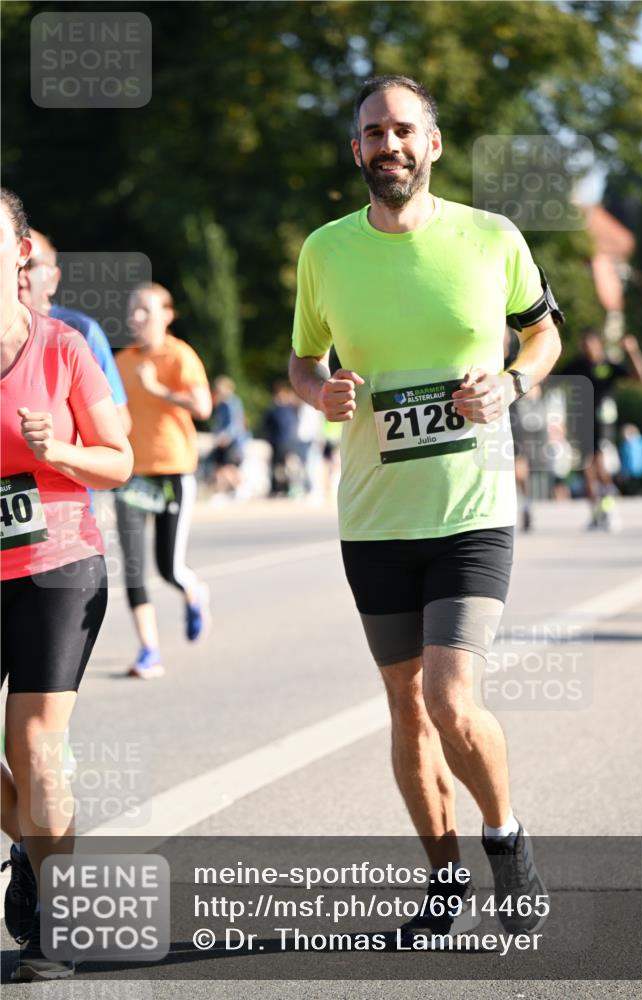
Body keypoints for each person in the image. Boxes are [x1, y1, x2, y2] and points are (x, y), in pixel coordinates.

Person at [289, 76, 563, 941]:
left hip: (471, 511)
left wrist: (514, 381)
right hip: (373, 517)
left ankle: (505, 839)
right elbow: (302, 360)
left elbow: (543, 329)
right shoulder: (324, 252)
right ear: (357, 150)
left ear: (433, 145)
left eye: (403, 130)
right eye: (373, 133)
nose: (388, 145)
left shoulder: (490, 237)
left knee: (450, 698)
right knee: (405, 708)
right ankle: (443, 882)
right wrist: (318, 394)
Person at [0, 188, 133, 981]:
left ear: (18, 254)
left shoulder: (63, 349)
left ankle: (55, 922)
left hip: (56, 568)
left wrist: (58, 451)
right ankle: (31, 845)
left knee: (38, 748)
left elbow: (117, 462)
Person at [114, 282, 213, 678]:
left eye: (146, 311)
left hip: (172, 470)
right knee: (134, 568)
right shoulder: (120, 361)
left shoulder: (179, 355)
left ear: (167, 315)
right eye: (132, 310)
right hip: (132, 476)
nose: (136, 318)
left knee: (168, 566)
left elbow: (203, 407)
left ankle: (193, 591)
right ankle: (149, 650)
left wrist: (158, 389)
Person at [17, 229, 131, 434]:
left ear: (53, 278)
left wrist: (61, 445)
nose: (21, 274)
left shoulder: (81, 331)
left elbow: (120, 421)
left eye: (31, 265)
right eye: (14, 265)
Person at [562, 328, 642, 530]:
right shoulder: (579, 364)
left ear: (598, 344)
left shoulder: (609, 366)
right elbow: (552, 377)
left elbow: (641, 377)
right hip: (582, 423)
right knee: (587, 471)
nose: (586, 348)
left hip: (603, 421)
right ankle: (596, 514)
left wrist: (633, 351)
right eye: (583, 345)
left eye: (589, 344)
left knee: (601, 465)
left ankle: (610, 509)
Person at [208, 375, 246, 501]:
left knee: (227, 467)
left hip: (230, 441)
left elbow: (235, 423)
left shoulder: (232, 403)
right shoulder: (222, 404)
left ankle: (239, 488)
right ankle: (222, 491)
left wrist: (225, 436)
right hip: (223, 440)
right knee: (219, 467)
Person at [264, 381, 299, 497]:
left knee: (286, 467)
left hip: (286, 441)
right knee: (276, 467)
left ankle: (287, 488)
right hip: (278, 441)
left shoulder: (288, 409)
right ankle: (276, 488)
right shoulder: (276, 409)